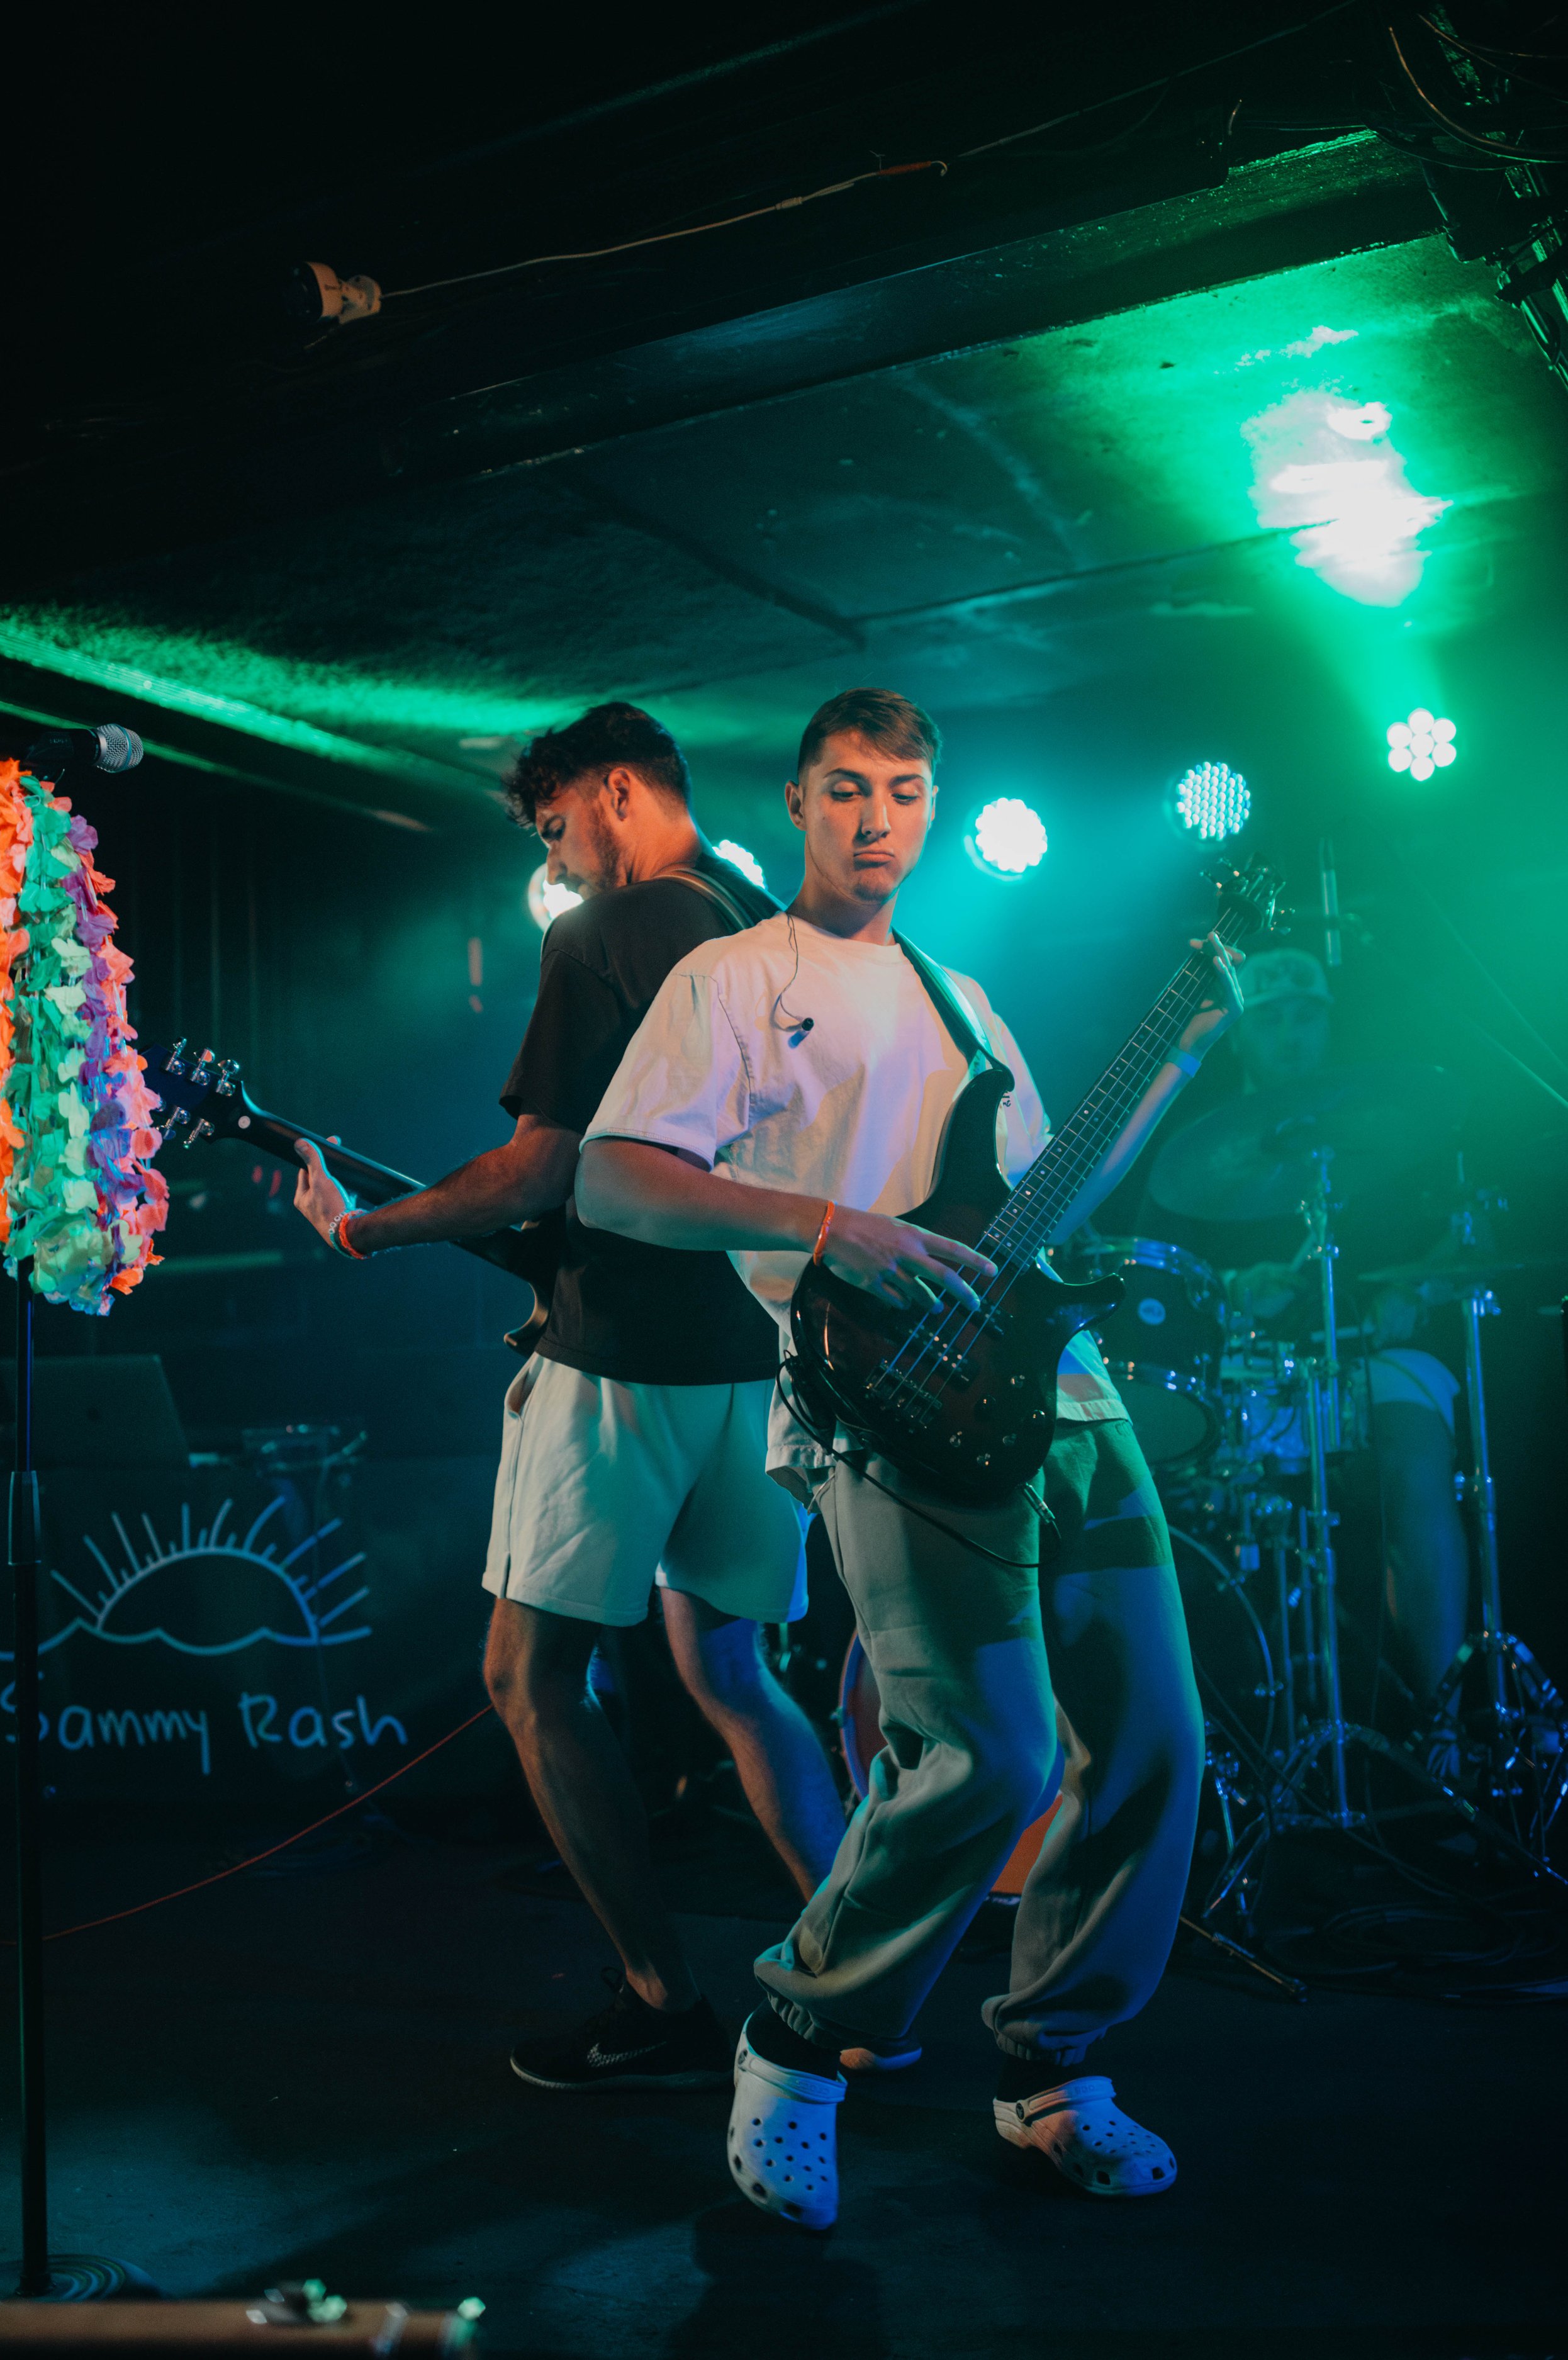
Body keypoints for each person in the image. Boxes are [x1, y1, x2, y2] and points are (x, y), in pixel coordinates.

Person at [574, 687, 1243, 2227]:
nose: (880, 819)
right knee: (986, 1749)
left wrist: (1183, 1052)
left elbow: (1033, 1207)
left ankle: (1054, 2063)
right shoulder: (735, 974)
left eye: (907, 792)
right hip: (883, 1401)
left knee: (1154, 1737)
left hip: (1060, 1392)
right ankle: (799, 2036)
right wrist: (831, 1226)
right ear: (800, 803)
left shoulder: (961, 994)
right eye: (851, 789)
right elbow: (616, 1179)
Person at [292, 700, 846, 2094]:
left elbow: (540, 1170)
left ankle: (662, 2000)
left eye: (557, 829)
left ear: (611, 792)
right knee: (732, 1671)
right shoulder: (774, 930)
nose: (563, 862)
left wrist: (366, 1226)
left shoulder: (598, 934)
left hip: (623, 1367)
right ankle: (859, 1979)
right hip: (763, 1366)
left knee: (525, 1676)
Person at [1143, 945, 1469, 1707]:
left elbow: (1471, 1228)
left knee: (1411, 1465)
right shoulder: (1192, 1149)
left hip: (1374, 1359)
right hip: (1244, 1375)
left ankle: (1440, 1726)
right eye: (1273, 1020)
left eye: (1306, 1018)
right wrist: (1226, 1290)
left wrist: (1412, 1288)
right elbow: (1145, 1279)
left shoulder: (1397, 1130)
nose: (1291, 1035)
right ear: (1241, 1035)